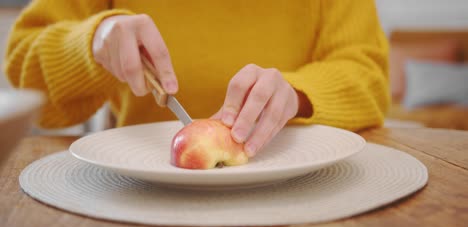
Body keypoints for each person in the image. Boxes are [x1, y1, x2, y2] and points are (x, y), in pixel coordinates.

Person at [4, 0, 389, 157]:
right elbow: (24, 77)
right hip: (139, 201)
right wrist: (93, 41)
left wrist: (299, 95)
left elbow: (368, 75)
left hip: (302, 195)